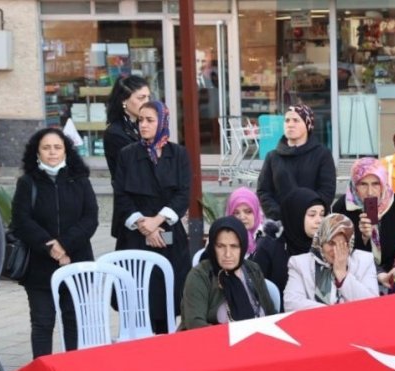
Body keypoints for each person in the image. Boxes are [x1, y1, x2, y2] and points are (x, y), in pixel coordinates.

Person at [10, 127, 98, 358]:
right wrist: (51, 248)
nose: (52, 152)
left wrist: (65, 246)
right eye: (46, 148)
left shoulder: (80, 181)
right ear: (37, 152)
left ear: (66, 151)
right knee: (42, 322)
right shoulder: (27, 183)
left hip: (76, 261)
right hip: (39, 266)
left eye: (57, 147)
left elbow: (90, 218)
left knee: (74, 320)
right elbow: (21, 220)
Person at [112, 100, 191, 334]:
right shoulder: (127, 155)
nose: (143, 125)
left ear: (162, 122)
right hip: (135, 235)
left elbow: (183, 193)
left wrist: (157, 222)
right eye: (140, 120)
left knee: (166, 300)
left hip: (168, 234)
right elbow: (121, 194)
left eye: (150, 120)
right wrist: (144, 225)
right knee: (137, 301)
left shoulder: (178, 154)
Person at [180, 216, 277, 329]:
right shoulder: (200, 275)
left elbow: (271, 314)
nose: (228, 254)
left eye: (234, 246)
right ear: (212, 247)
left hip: (257, 340)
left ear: (243, 247)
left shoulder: (253, 270)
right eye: (221, 246)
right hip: (214, 343)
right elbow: (195, 324)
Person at [256, 104, 336, 220]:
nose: (290, 124)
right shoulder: (272, 157)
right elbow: (264, 191)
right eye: (287, 120)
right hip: (281, 224)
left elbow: (327, 191)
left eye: (296, 120)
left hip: (312, 224)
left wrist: (309, 214)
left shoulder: (322, 155)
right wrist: (280, 215)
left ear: (308, 125)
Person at [284, 214, 378, 310]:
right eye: (331, 243)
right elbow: (291, 303)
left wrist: (342, 275)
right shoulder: (299, 263)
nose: (335, 250)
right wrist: (332, 313)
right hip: (316, 322)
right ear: (320, 242)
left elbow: (372, 305)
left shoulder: (365, 260)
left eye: (343, 244)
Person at [331, 157, 395, 272]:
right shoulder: (342, 207)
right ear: (355, 186)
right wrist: (364, 238)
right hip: (358, 274)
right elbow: (343, 253)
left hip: (392, 272)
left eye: (375, 184)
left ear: (383, 184)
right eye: (363, 184)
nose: (370, 192)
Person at [102, 75, 150, 239]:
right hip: (133, 209)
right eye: (141, 97)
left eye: (148, 97)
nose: (146, 102)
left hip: (154, 208)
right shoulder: (115, 133)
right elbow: (130, 175)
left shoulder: (144, 125)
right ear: (124, 100)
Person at [252, 188, 325, 293]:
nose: (319, 220)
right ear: (296, 215)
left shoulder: (324, 248)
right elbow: (256, 291)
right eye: (312, 215)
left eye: (322, 215)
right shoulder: (269, 247)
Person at [224, 187, 272, 258]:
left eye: (248, 212)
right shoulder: (222, 239)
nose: (242, 217)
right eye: (236, 213)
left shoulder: (268, 240)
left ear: (256, 212)